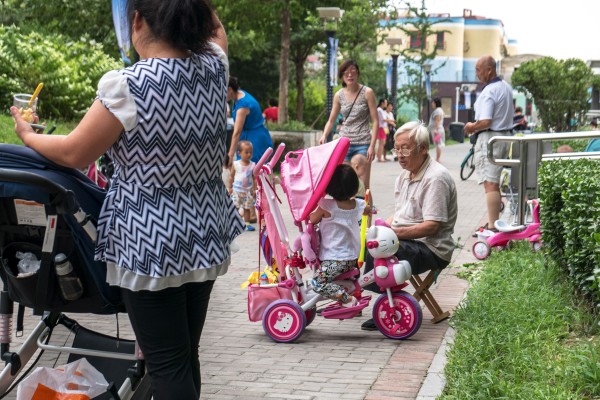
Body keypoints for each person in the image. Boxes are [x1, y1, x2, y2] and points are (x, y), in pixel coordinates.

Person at [11, 2, 244, 398]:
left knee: (167, 364)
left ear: (136, 21)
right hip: (206, 232)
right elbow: (216, 29)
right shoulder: (214, 66)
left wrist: (27, 134)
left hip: (149, 241)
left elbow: (73, 153)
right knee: (185, 356)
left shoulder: (128, 85)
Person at [360, 121, 457, 331]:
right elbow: (402, 214)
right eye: (397, 148)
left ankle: (389, 309)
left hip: (431, 247)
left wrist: (392, 234)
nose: (400, 154)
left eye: (406, 148)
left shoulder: (435, 178)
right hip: (410, 239)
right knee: (364, 242)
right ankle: (383, 302)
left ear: (422, 149)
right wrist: (380, 227)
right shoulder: (404, 176)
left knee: (379, 251)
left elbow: (432, 227)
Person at [464, 55, 514, 234]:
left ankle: (493, 226)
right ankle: (493, 222)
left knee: (490, 183)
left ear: (489, 70)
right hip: (504, 138)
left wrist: (471, 126)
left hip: (490, 139)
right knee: (494, 182)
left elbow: (485, 121)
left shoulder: (489, 91)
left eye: (478, 69)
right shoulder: (506, 87)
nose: (476, 73)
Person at [309, 164, 371, 308]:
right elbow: (369, 209)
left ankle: (347, 299)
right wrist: (372, 210)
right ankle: (350, 295)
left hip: (334, 259)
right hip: (352, 258)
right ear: (354, 186)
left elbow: (312, 219)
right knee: (332, 279)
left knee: (317, 283)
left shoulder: (326, 206)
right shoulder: (358, 204)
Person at [320, 59, 379, 189]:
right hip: (344, 143)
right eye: (346, 73)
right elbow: (331, 120)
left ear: (358, 73)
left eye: (353, 72)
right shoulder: (339, 95)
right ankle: (349, 210)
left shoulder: (367, 92)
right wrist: (324, 135)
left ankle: (367, 209)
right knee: (346, 185)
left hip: (363, 143)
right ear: (342, 76)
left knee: (363, 186)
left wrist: (372, 146)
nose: (350, 75)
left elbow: (375, 120)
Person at [227, 76, 274, 166]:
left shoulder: (243, 106)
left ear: (230, 89)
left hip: (253, 142)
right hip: (254, 137)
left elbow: (237, 132)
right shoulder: (239, 95)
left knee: (251, 172)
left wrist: (230, 155)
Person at [228, 140, 257, 231]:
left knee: (247, 209)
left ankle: (247, 224)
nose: (249, 154)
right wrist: (230, 187)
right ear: (239, 153)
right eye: (246, 152)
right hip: (236, 191)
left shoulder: (252, 165)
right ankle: (233, 223)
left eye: (250, 152)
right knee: (235, 207)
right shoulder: (236, 164)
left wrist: (255, 189)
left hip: (247, 192)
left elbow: (254, 178)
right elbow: (231, 176)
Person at [428, 98, 445, 162]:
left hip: (437, 130)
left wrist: (436, 130)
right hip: (439, 129)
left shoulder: (437, 111)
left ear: (436, 103)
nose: (432, 104)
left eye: (433, 103)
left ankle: (438, 159)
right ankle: (437, 158)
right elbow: (443, 115)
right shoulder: (440, 110)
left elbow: (437, 120)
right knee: (438, 144)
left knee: (438, 144)